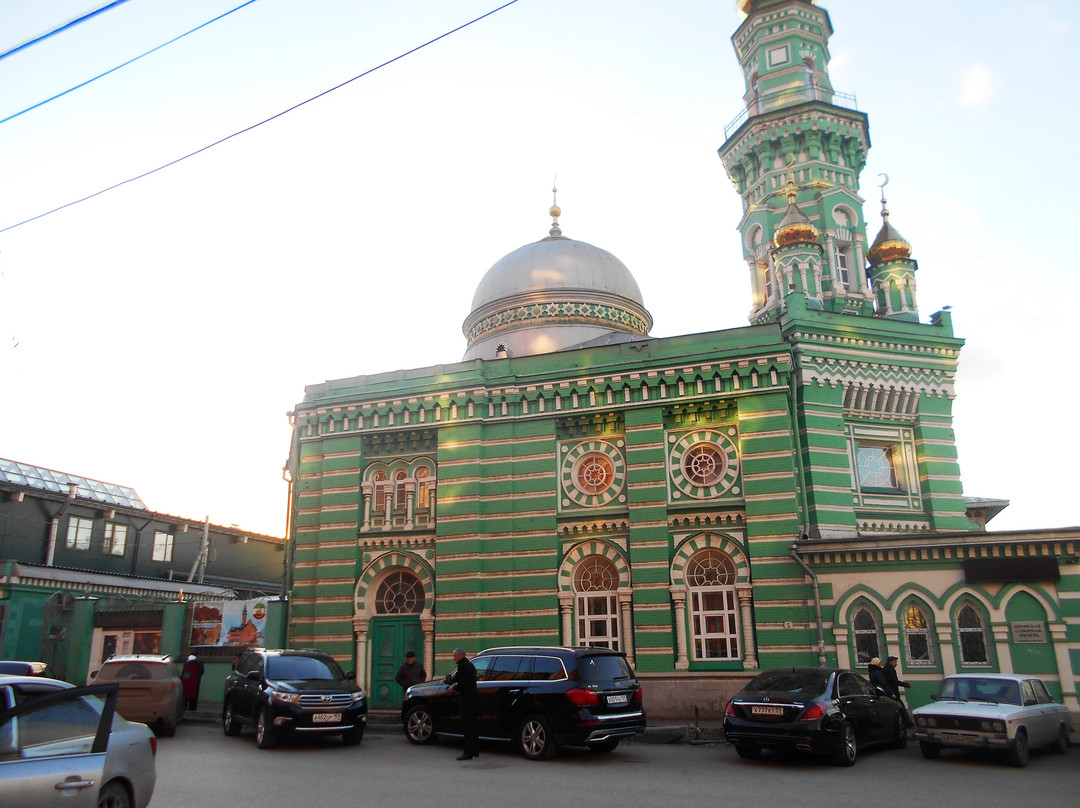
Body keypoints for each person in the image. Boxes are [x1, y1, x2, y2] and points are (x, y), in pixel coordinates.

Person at [449, 647, 478, 760]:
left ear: (460, 655)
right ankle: (475, 750)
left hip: (467, 700)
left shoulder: (463, 666)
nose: (453, 658)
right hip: (474, 699)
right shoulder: (469, 665)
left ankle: (468, 752)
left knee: (466, 726)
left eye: (454, 656)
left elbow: (462, 683)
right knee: (474, 725)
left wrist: (453, 688)